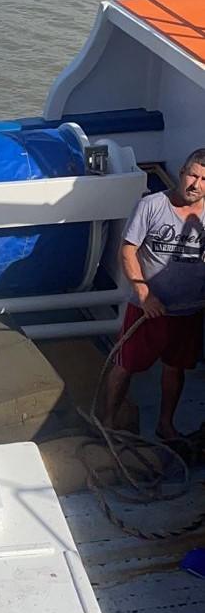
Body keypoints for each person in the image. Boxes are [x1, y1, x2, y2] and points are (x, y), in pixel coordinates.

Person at [102, 149, 205, 442]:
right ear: (181, 172)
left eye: (203, 179)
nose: (195, 184)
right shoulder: (151, 205)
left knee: (175, 369)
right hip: (147, 309)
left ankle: (165, 424)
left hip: (188, 312)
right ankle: (108, 423)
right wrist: (144, 294)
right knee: (125, 367)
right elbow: (128, 250)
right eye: (192, 174)